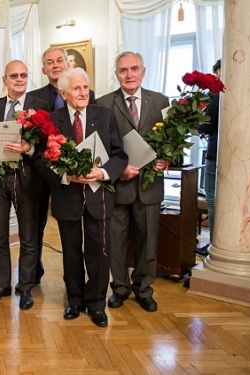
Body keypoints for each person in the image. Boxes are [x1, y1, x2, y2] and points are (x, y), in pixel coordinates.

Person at [34, 68, 128, 327]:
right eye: (76, 88)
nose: (83, 92)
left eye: (85, 87)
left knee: (99, 252)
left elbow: (120, 155)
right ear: (63, 93)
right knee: (71, 253)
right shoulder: (52, 121)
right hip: (68, 197)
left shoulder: (105, 116)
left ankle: (96, 303)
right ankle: (75, 300)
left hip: (100, 198)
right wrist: (66, 176)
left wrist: (103, 172)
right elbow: (41, 162)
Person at [96, 51, 170, 313]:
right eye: (123, 70)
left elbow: (172, 141)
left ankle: (144, 289)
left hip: (150, 186)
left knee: (148, 240)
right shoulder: (103, 103)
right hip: (118, 184)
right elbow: (99, 147)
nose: (129, 74)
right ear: (116, 74)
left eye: (134, 69)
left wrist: (167, 159)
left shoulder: (161, 100)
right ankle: (119, 288)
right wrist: (118, 169)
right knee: (116, 240)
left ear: (143, 71)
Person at [0, 60, 47, 311]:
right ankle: (2, 284)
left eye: (23, 75)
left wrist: (29, 148)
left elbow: (48, 143)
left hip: (27, 179)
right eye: (13, 76)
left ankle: (26, 287)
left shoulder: (40, 107)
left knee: (29, 237)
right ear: (4, 80)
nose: (19, 79)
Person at [27, 47, 97, 289]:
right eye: (49, 62)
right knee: (35, 229)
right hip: (40, 175)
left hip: (77, 180)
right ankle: (33, 274)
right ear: (43, 69)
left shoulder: (89, 95)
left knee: (82, 235)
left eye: (59, 60)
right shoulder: (33, 98)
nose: (55, 65)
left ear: (68, 64)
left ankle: (85, 287)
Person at [196, 59, 221, 256]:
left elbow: (206, 126)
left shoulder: (216, 95)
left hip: (214, 154)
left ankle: (214, 244)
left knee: (212, 200)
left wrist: (195, 121)